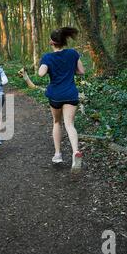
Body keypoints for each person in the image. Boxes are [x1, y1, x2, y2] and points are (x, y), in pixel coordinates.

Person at [38, 27, 85, 173]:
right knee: (70, 124)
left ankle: (58, 154)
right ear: (64, 41)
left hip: (55, 95)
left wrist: (45, 67)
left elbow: (41, 74)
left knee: (57, 122)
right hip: (71, 94)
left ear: (51, 42)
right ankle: (75, 151)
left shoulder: (47, 57)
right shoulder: (73, 53)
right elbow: (81, 71)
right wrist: (70, 70)